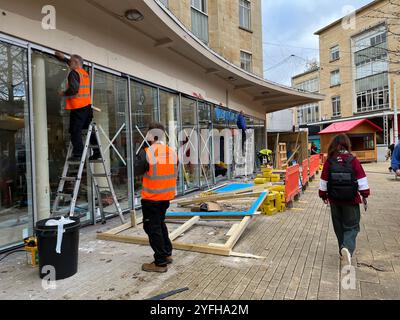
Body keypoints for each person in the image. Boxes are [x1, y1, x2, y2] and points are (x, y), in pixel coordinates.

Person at [318, 133, 370, 266]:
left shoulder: (329, 161)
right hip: (351, 201)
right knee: (352, 227)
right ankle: (346, 248)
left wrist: (323, 196)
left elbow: (323, 181)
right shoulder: (353, 160)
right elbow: (362, 181)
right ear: (347, 145)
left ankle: (342, 250)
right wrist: (364, 195)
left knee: (339, 227)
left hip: (334, 201)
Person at [135, 123, 178, 273]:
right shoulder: (171, 152)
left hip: (151, 198)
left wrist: (141, 148)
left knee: (152, 228)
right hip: (165, 197)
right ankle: (166, 254)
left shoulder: (146, 152)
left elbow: (136, 170)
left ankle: (160, 262)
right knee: (159, 224)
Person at [55, 51, 99, 161]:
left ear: (75, 62)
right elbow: (74, 63)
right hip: (87, 107)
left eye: (70, 61)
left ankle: (78, 154)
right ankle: (97, 151)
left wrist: (63, 93)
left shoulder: (73, 73)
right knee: (87, 129)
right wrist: (64, 58)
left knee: (75, 130)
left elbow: (74, 90)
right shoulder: (84, 73)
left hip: (78, 107)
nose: (69, 63)